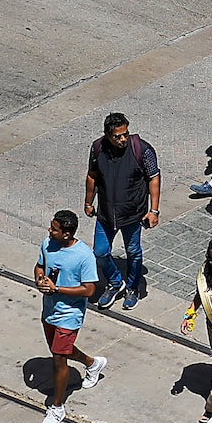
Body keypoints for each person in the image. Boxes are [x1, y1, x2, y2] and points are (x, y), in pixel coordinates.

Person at [82, 113, 161, 311]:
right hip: (106, 213)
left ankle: (133, 288)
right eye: (117, 136)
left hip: (133, 214)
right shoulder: (97, 148)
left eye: (125, 134)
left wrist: (154, 210)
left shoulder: (141, 150)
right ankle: (116, 282)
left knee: (133, 251)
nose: (123, 139)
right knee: (100, 252)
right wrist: (88, 202)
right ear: (107, 135)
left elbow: (154, 178)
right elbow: (92, 175)